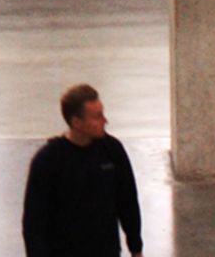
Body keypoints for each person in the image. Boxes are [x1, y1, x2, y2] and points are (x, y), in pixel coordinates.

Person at [22, 84, 143, 257]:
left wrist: (136, 247)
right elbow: (34, 223)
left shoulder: (112, 151)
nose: (105, 121)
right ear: (76, 122)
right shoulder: (48, 161)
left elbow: (127, 202)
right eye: (97, 117)